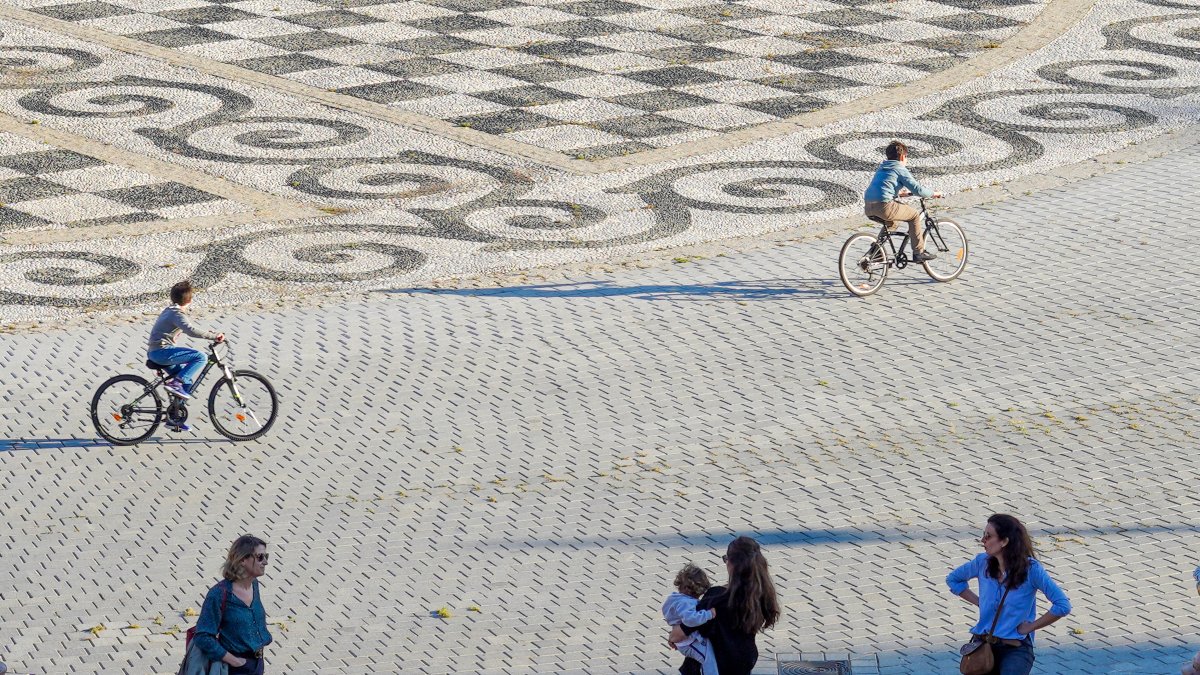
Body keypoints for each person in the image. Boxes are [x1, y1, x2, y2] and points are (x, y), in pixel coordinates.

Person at [946, 514, 1071, 675]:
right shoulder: (982, 562)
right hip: (983, 644)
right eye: (983, 535)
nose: (983, 540)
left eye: (988, 536)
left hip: (1015, 647)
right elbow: (953, 580)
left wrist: (1030, 627)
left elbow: (1062, 605)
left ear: (1004, 541)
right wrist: (980, 602)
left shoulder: (1031, 570)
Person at [671, 536, 781, 675]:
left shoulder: (717, 597)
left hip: (712, 667)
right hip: (742, 663)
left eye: (726, 559)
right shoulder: (760, 594)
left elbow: (680, 633)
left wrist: (674, 636)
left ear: (732, 564)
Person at [193, 535, 273, 675]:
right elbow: (202, 636)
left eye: (266, 556)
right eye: (260, 557)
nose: (265, 562)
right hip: (234, 668)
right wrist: (235, 661)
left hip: (256, 663)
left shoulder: (254, 585)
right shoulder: (219, 594)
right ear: (242, 560)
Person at [147, 280, 224, 415]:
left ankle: (174, 417)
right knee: (201, 357)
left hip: (156, 352)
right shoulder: (177, 314)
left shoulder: (170, 310)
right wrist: (213, 336)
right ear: (190, 300)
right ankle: (175, 384)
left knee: (187, 382)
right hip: (162, 352)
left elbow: (186, 328)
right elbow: (191, 331)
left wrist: (207, 333)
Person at [863, 140, 943, 262]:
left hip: (869, 207)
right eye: (906, 157)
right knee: (914, 215)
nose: (906, 160)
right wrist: (933, 194)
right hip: (884, 206)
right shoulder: (899, 168)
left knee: (892, 223)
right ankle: (919, 252)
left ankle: (876, 252)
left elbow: (882, 187)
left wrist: (899, 194)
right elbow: (918, 190)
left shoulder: (882, 167)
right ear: (902, 156)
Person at [662, 564, 718, 675]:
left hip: (685, 640)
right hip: (688, 641)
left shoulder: (675, 598)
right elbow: (691, 620)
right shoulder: (685, 603)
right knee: (707, 658)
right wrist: (708, 614)